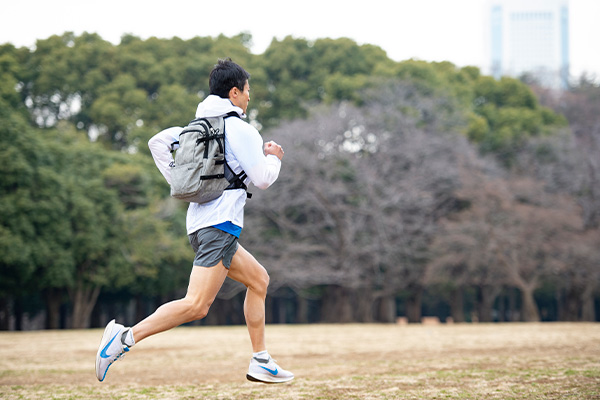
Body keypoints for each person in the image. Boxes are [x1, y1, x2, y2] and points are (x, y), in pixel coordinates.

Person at [95, 58, 294, 384]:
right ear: (234, 92)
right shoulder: (240, 128)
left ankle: (261, 360)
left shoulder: (195, 127)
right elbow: (261, 179)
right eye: (247, 91)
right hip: (220, 226)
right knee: (197, 305)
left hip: (202, 224)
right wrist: (274, 158)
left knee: (259, 280)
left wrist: (176, 180)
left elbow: (157, 142)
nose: (248, 97)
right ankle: (123, 339)